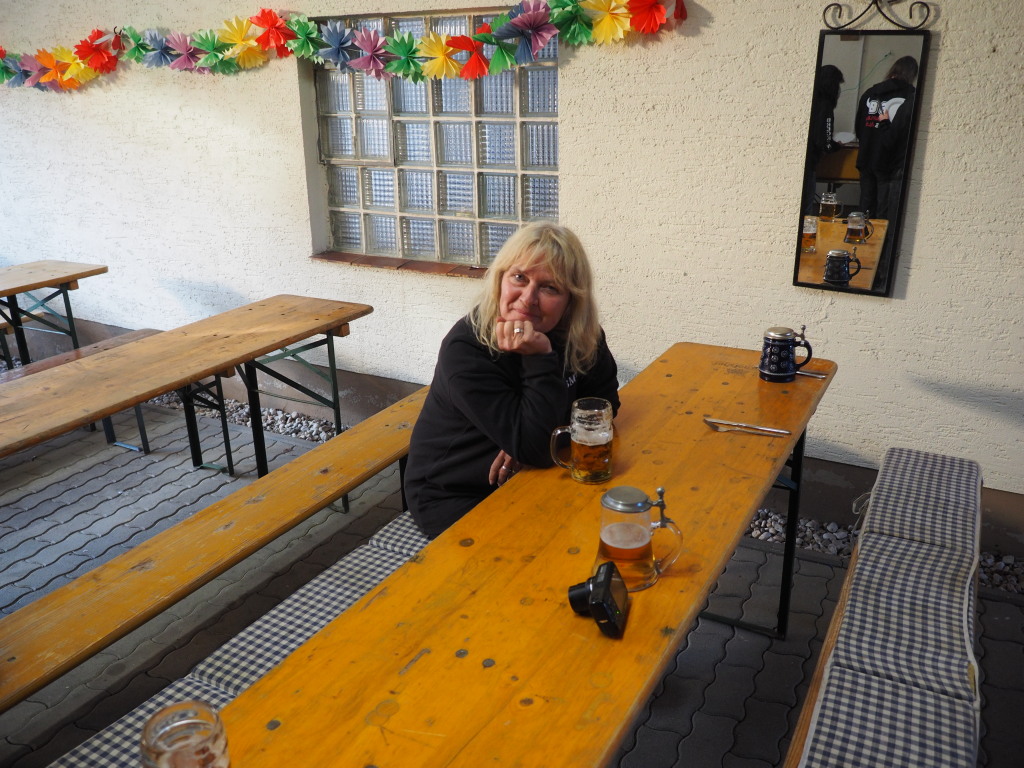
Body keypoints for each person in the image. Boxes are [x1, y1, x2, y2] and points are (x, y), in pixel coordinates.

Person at [404, 222, 620, 538]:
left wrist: (536, 441)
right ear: (500, 280)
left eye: (550, 288)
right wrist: (539, 358)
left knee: (617, 521)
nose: (528, 298)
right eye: (519, 278)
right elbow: (537, 448)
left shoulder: (581, 337)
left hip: (534, 476)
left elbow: (605, 406)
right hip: (457, 494)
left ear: (571, 301)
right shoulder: (467, 348)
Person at [855, 55, 919, 220]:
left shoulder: (870, 93)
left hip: (866, 156)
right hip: (890, 162)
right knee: (883, 212)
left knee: (865, 207)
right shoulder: (910, 96)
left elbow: (858, 128)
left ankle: (861, 235)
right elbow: (905, 134)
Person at [803, 64, 846, 214]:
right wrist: (836, 146)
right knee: (806, 208)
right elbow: (825, 142)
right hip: (810, 162)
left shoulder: (808, 99)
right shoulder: (826, 106)